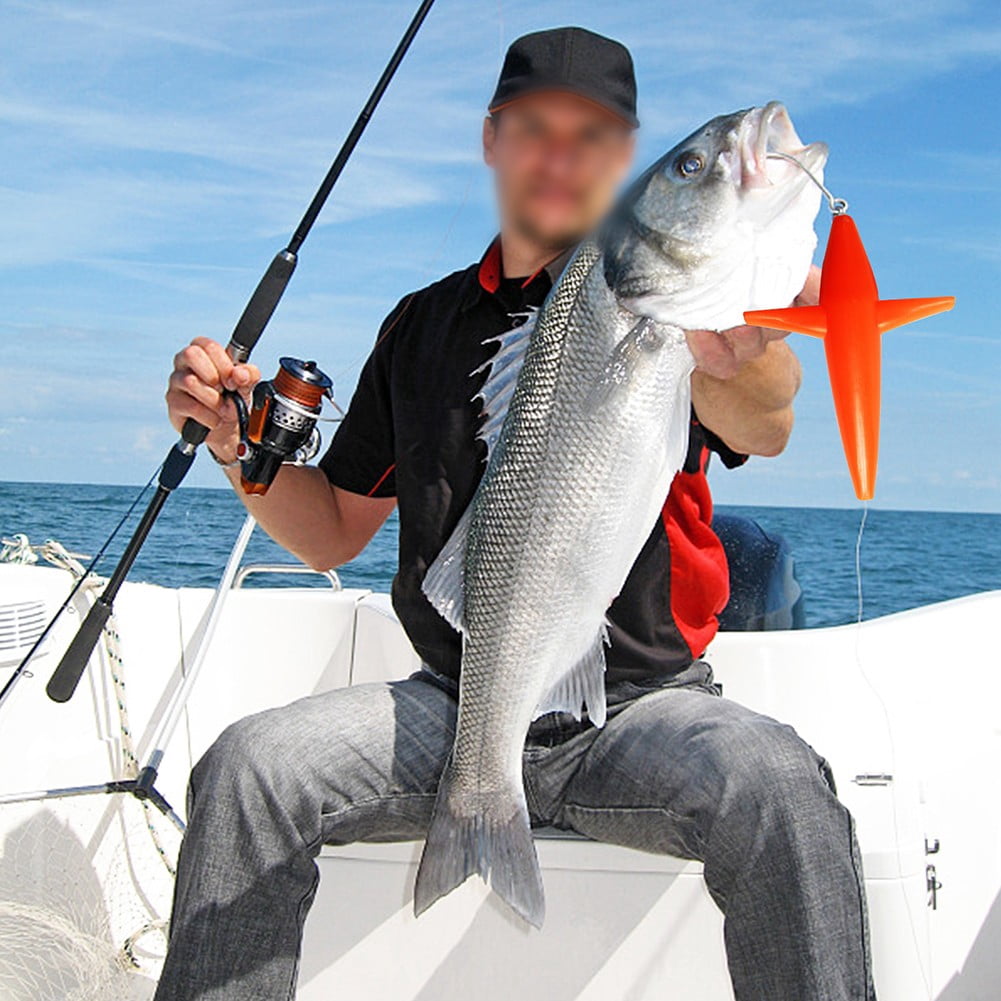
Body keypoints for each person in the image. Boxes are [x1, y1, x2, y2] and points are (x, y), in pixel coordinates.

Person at [158, 26, 874, 1001]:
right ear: (491, 138)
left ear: (624, 161)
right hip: (459, 700)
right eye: (534, 128)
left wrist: (740, 352)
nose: (559, 155)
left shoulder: (675, 306)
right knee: (249, 768)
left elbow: (766, 413)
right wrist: (240, 449)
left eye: (593, 136)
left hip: (643, 710)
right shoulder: (418, 325)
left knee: (783, 788)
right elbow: (330, 528)